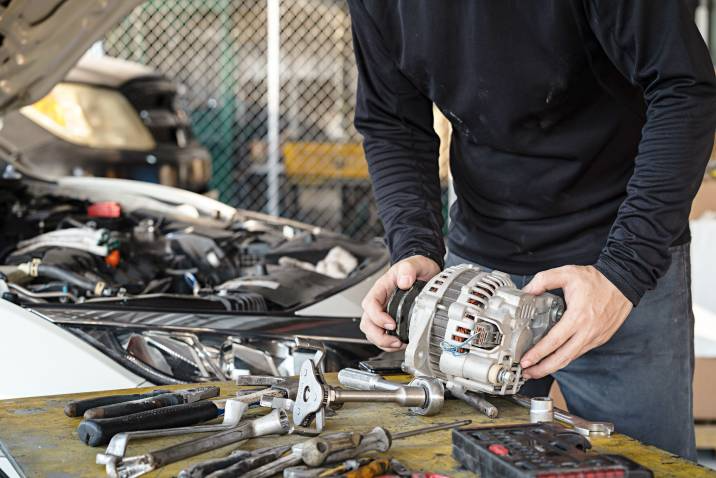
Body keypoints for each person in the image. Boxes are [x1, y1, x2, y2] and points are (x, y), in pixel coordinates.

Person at [347, 0, 716, 460]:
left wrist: (624, 271)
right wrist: (414, 247)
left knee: (645, 466)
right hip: (477, 276)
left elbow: (684, 87)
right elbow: (392, 120)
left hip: (616, 270)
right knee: (460, 463)